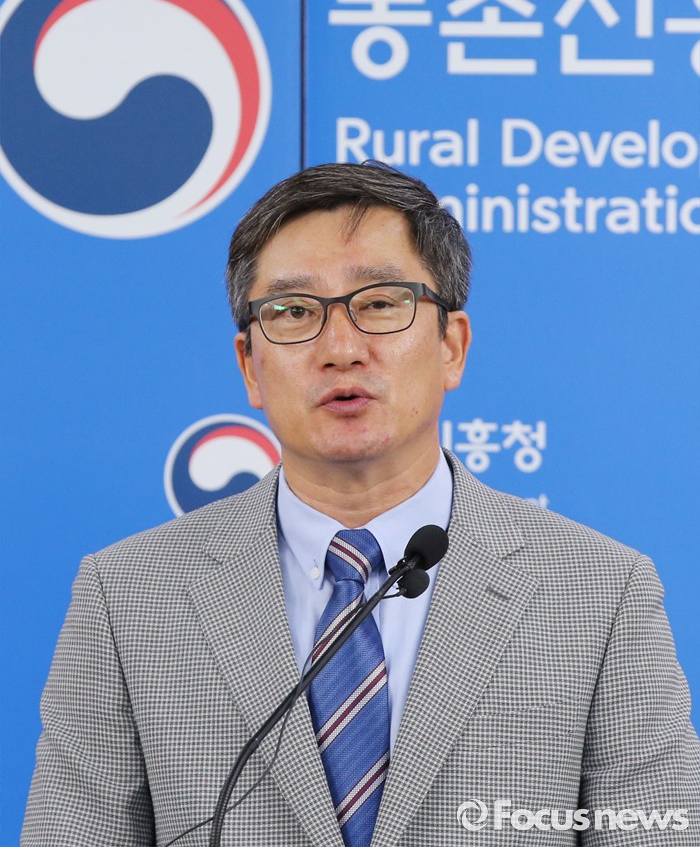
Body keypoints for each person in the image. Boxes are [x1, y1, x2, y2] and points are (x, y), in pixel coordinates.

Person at [22, 162, 699, 847]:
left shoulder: (600, 593)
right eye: (293, 312)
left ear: (452, 346)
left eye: (379, 303)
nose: (340, 349)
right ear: (250, 365)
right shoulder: (127, 597)